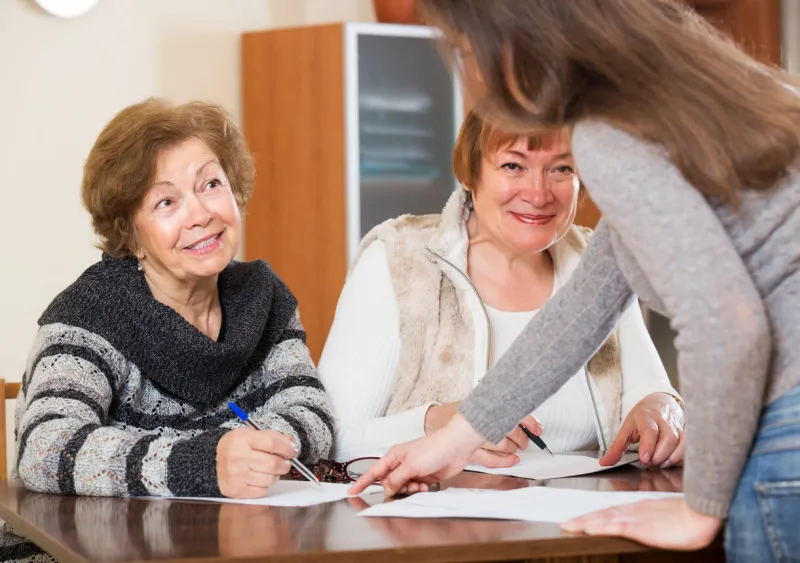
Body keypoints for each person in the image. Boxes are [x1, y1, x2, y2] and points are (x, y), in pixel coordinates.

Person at [349, 1, 800, 561]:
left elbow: (730, 326)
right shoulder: (699, 92)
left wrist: (699, 509)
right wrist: (451, 439)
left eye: (469, 50)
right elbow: (582, 311)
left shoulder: (610, 133)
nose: (475, 75)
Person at [4, 97, 334, 563]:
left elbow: (311, 412)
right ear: (130, 232)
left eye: (211, 184)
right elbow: (44, 448)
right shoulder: (89, 314)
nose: (200, 214)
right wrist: (206, 461)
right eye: (166, 202)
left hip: (229, 543)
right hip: (87, 552)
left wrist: (246, 456)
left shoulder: (262, 297)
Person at [318, 109, 683, 469]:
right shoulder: (399, 260)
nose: (538, 194)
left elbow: (648, 389)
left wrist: (660, 408)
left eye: (561, 168)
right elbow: (328, 438)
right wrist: (434, 423)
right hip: (442, 523)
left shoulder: (597, 265)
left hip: (582, 518)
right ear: (469, 174)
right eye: (513, 166)